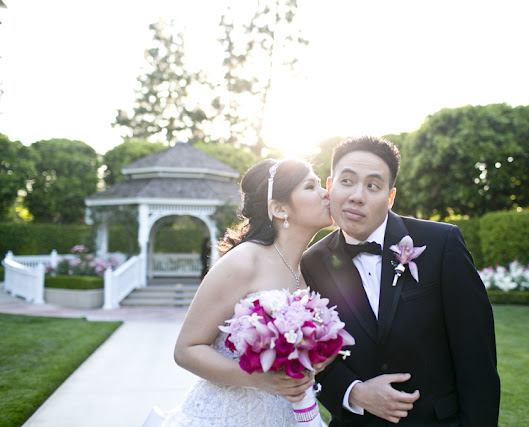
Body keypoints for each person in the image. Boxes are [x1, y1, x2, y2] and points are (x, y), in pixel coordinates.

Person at [301, 136, 500, 426]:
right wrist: (353, 393)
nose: (357, 195)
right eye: (347, 181)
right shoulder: (312, 262)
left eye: (372, 185)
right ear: (330, 187)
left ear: (390, 196)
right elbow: (315, 355)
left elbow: (477, 359)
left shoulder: (441, 243)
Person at [144, 158, 333, 426]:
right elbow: (186, 349)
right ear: (279, 208)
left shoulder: (307, 269)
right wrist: (260, 379)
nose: (327, 191)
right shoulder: (244, 261)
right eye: (310, 186)